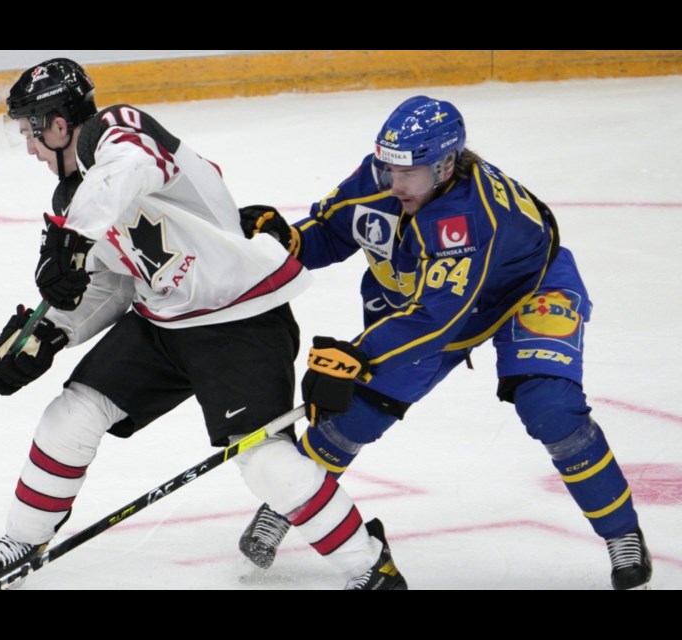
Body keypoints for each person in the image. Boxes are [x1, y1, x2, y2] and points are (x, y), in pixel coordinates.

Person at [0, 58, 409, 590]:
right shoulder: (78, 199)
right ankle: (25, 537)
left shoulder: (119, 133)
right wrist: (48, 333)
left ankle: (369, 566)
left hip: (241, 323)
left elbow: (128, 168)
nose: (31, 149)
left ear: (59, 124)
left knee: (266, 463)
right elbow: (114, 284)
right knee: (71, 414)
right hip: (163, 324)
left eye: (30, 132)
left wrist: (73, 235)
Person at [237, 95, 652, 590]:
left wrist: (358, 355)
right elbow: (334, 229)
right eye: (388, 166)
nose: (394, 182)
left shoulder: (471, 216)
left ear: (447, 164)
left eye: (408, 173)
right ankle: (289, 501)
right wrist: (290, 241)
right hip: (430, 295)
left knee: (551, 406)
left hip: (526, 291)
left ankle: (622, 534)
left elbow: (435, 321)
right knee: (358, 407)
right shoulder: (385, 176)